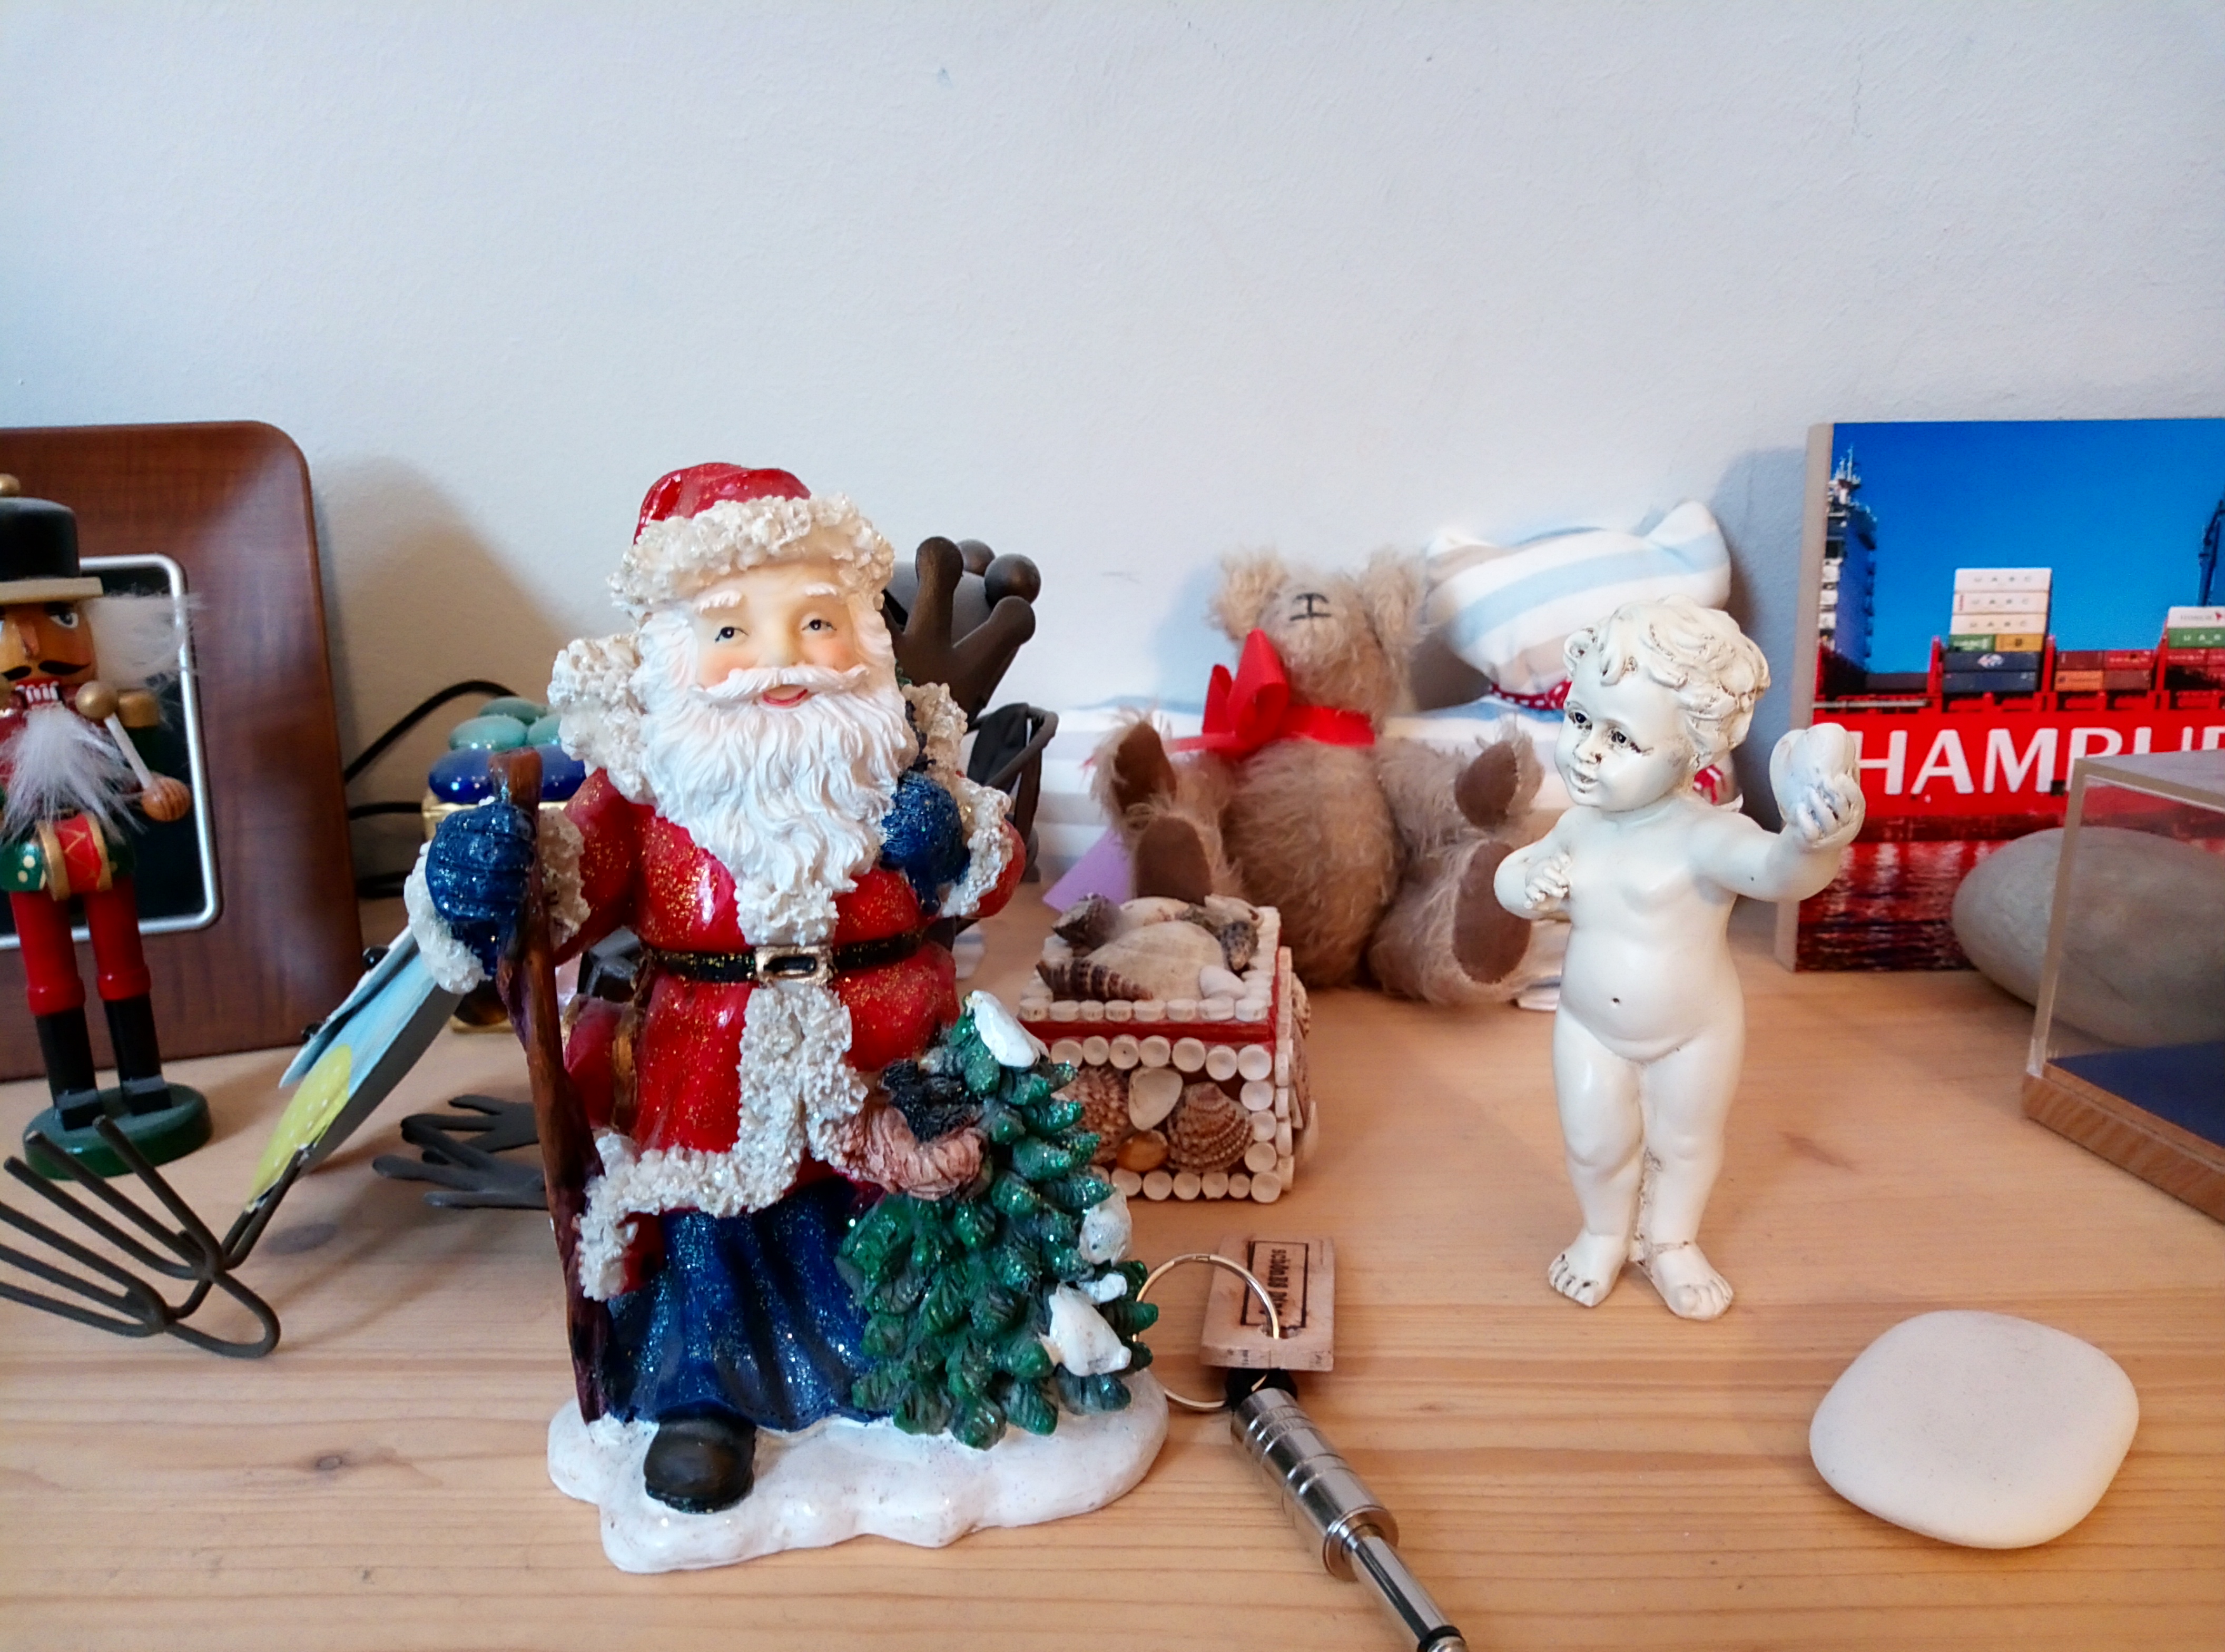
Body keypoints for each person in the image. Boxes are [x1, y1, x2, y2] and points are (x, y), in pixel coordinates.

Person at [410, 464, 1023, 1511]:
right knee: (713, 1236)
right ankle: (706, 1397)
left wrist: (952, 844)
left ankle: (904, 1373)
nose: (780, 659)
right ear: (671, 654)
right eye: (733, 631)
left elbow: (992, 873)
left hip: (888, 1053)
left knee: (896, 1219)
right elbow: (567, 890)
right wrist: (488, 877)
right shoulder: (651, 787)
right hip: (709, 1070)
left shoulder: (903, 757)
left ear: (864, 638)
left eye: (816, 622)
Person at [1494, 596, 1862, 1320]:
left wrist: (1814, 843)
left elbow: (1779, 875)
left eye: (1621, 738)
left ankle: (1671, 1243)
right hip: (1590, 1027)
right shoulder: (1579, 828)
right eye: (1578, 719)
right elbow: (1512, 875)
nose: (1587, 751)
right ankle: (1604, 1233)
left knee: (1685, 1144)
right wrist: (1527, 885)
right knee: (1594, 1143)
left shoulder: (1708, 837)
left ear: (1694, 751)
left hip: (1694, 1033)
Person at [0, 477, 199, 1157]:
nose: (30, 645)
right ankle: (74, 1095)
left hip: (104, 848)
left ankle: (144, 1080)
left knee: (123, 963)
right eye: (5, 625)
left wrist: (162, 792)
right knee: (50, 978)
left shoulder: (114, 708)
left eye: (58, 616)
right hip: (28, 862)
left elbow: (147, 779)